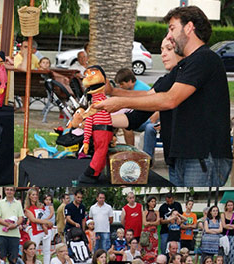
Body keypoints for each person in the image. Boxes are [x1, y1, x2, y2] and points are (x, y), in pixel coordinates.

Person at [99, 6, 232, 186]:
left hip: (201, 158)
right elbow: (142, 107)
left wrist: (119, 101)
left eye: (172, 28)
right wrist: (99, 118)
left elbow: (170, 99)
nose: (169, 35)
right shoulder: (180, 69)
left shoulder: (205, 59)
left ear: (189, 27)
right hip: (179, 158)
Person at [0, 187, 23, 264]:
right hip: (1, 234)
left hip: (14, 235)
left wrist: (15, 225)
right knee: (1, 256)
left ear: (14, 191)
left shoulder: (18, 203)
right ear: (4, 191)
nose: (9, 192)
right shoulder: (0, 203)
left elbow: (21, 218)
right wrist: (8, 225)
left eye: (11, 190)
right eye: (7, 190)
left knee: (13, 257)